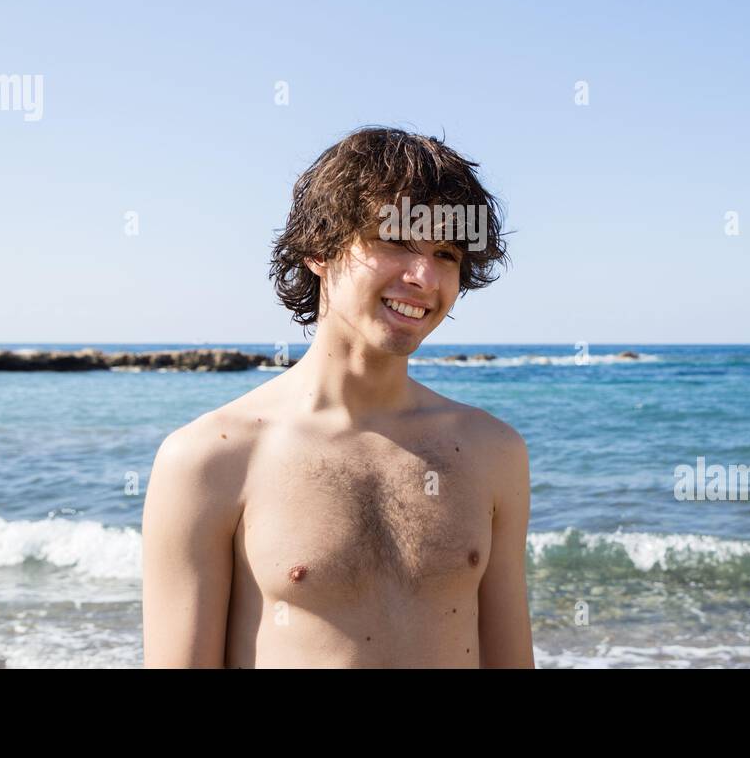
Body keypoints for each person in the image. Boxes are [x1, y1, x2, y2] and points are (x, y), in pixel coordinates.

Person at [142, 126, 534, 667]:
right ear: (321, 249)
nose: (424, 276)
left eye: (446, 252)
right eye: (396, 241)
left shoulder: (494, 452)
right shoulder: (211, 458)